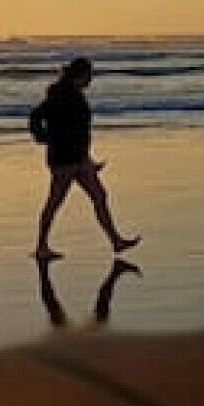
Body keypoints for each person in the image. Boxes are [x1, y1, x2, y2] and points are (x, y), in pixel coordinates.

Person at [29, 54, 140, 261]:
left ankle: (116, 241)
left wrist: (88, 159)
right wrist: (43, 138)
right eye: (89, 75)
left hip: (79, 159)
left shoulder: (74, 94)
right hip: (64, 159)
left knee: (100, 196)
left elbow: (79, 131)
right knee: (54, 202)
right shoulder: (60, 95)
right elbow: (36, 116)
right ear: (80, 75)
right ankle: (41, 247)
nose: (91, 80)